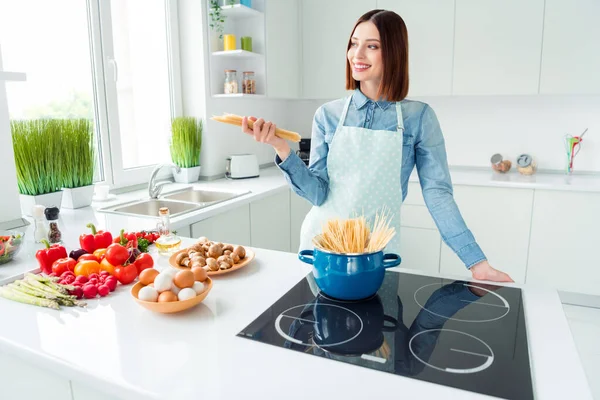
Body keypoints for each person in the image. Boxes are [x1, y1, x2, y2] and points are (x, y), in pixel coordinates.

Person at [241, 9, 513, 283]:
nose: (356, 55)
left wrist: (476, 262)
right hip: (323, 249)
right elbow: (318, 194)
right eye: (353, 44)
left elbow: (437, 194)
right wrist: (281, 148)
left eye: (372, 46)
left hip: (377, 254)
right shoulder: (328, 115)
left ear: (394, 52)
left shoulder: (418, 117)